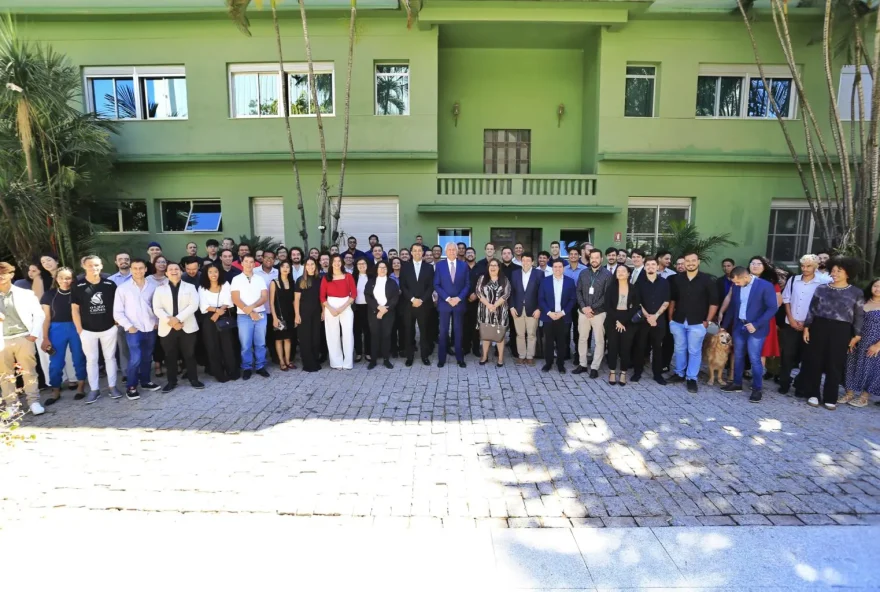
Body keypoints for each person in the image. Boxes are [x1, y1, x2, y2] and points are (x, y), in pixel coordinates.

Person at [801, 257, 864, 410]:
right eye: (833, 270)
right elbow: (812, 309)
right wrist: (807, 327)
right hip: (819, 326)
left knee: (835, 363)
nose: (834, 273)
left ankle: (831, 397)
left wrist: (856, 335)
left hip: (842, 329)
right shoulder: (821, 288)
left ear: (848, 273)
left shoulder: (856, 292)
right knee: (815, 361)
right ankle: (814, 394)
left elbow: (859, 315)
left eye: (839, 271)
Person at [720, 266, 780, 403]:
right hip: (739, 326)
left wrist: (756, 324)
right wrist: (724, 326)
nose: (735, 285)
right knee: (738, 355)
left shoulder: (765, 286)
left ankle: (757, 389)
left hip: (756, 328)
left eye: (737, 282)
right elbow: (733, 308)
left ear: (745, 277)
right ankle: (737, 383)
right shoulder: (736, 286)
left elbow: (772, 308)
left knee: (754, 359)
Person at [72, 255, 122, 404]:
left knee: (110, 358)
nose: (93, 268)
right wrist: (80, 329)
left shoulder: (109, 284)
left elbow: (117, 305)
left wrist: (115, 323)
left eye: (96, 265)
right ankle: (94, 390)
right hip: (87, 330)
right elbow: (75, 309)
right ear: (84, 266)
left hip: (108, 328)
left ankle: (112, 387)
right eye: (90, 265)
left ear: (101, 266)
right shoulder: (78, 285)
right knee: (91, 360)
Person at [668, 251, 719, 394]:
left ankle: (691, 378)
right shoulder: (677, 279)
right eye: (687, 261)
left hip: (698, 322)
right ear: (683, 263)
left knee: (694, 350)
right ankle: (679, 373)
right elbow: (673, 300)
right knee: (679, 348)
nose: (690, 263)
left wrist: (707, 321)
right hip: (678, 320)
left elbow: (714, 303)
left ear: (698, 262)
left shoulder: (707, 280)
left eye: (693, 260)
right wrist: (670, 318)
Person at [779, 254, 831, 396]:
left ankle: (801, 385)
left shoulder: (823, 282)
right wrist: (791, 318)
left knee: (807, 356)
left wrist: (807, 323)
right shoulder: (794, 279)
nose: (805, 269)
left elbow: (822, 305)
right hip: (791, 323)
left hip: (811, 326)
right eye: (802, 266)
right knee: (787, 354)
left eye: (808, 266)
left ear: (815, 267)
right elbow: (786, 299)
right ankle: (784, 382)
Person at [0, 262, 46, 415]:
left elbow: (39, 314)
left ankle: (34, 401)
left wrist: (33, 334)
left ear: (11, 275)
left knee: (29, 371)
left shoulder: (25, 293)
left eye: (3, 273)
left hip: (23, 337)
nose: (0, 276)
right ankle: (11, 405)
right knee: (5, 375)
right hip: (2, 339)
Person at [112, 258, 162, 400]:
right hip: (134, 329)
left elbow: (157, 306)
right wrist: (129, 327)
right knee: (135, 358)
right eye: (135, 268)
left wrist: (157, 321)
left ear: (146, 269)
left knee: (147, 357)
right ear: (131, 270)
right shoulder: (123, 288)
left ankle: (145, 381)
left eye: (141, 268)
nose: (138, 271)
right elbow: (117, 312)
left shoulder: (153, 286)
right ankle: (131, 386)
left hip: (150, 327)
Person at [152, 262, 203, 393]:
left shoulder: (190, 287)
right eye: (171, 269)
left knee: (190, 354)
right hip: (168, 327)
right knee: (170, 356)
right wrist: (171, 321)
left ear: (181, 272)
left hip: (187, 325)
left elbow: (194, 305)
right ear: (166, 273)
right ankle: (171, 381)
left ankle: (193, 379)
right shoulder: (159, 289)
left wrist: (178, 319)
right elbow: (157, 308)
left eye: (176, 269)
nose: (174, 271)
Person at [39, 267, 87, 404]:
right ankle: (55, 390)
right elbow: (46, 318)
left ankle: (81, 386)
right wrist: (45, 337)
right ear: (56, 279)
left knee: (79, 358)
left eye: (68, 278)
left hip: (75, 327)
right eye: (61, 278)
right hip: (56, 329)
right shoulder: (49, 295)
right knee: (55, 362)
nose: (65, 281)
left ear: (73, 279)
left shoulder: (78, 293)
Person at [574, 249, 612, 378]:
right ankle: (582, 364)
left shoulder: (607, 275)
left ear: (602, 259)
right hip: (583, 312)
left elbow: (607, 296)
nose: (594, 260)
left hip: (599, 313)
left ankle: (595, 367)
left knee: (599, 341)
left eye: (597, 257)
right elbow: (578, 291)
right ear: (589, 259)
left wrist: (592, 308)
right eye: (592, 258)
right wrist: (584, 308)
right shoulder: (583, 273)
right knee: (582, 339)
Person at [231, 254, 270, 380]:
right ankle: (247, 367)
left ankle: (260, 366)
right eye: (246, 261)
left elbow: (264, 296)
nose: (249, 264)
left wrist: (252, 307)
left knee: (260, 343)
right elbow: (235, 298)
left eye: (251, 261)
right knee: (246, 344)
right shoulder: (236, 279)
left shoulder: (260, 279)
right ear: (242, 263)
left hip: (260, 314)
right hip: (243, 316)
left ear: (254, 264)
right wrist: (249, 312)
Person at [842, 278, 880, 408]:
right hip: (856, 339)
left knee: (870, 368)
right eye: (875, 286)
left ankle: (864, 397)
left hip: (874, 342)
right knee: (850, 364)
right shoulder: (862, 301)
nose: (877, 289)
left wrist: (878, 345)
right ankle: (849, 393)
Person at [198, 265, 239, 383]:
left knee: (228, 345)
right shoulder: (202, 287)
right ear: (206, 274)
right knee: (212, 346)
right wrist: (216, 311)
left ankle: (232, 371)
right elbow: (203, 305)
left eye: (215, 271)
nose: (213, 274)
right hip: (208, 318)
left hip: (224, 315)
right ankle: (218, 373)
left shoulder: (225, 284)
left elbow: (228, 300)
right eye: (210, 272)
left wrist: (220, 311)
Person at [634, 257, 670, 384]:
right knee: (640, 347)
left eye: (653, 264)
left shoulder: (664, 282)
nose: (650, 267)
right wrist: (648, 316)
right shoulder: (639, 283)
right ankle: (637, 372)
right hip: (643, 321)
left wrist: (655, 316)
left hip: (659, 321)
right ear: (644, 267)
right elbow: (637, 302)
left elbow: (666, 302)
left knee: (657, 348)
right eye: (648, 265)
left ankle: (657, 375)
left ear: (657, 267)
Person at [434, 242, 469, 369]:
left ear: (457, 251)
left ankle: (460, 359)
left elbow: (467, 285)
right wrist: (448, 298)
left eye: (454, 249)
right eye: (449, 249)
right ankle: (441, 359)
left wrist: (459, 298)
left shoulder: (463, 265)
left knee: (458, 332)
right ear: (445, 251)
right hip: (444, 304)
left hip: (459, 304)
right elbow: (436, 284)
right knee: (443, 332)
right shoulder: (439, 265)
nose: (452, 251)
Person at [400, 243, 434, 367]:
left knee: (424, 331)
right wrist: (413, 299)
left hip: (424, 305)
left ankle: (424, 356)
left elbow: (431, 286)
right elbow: (403, 286)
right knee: (409, 331)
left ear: (423, 253)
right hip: (409, 305)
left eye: (420, 250)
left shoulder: (429, 268)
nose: (417, 252)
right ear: (411, 253)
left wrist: (421, 300)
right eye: (415, 250)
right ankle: (409, 356)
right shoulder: (405, 267)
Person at [539, 260, 576, 373]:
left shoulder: (570, 282)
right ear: (552, 268)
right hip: (548, 316)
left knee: (562, 342)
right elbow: (541, 299)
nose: (558, 269)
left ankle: (560, 364)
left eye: (560, 267)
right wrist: (549, 313)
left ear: (563, 268)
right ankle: (548, 363)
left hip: (563, 316)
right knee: (548, 341)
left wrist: (563, 313)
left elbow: (572, 299)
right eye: (555, 267)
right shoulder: (545, 281)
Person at [320, 254, 356, 370]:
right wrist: (330, 309)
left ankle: (348, 362)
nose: (337, 263)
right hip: (330, 306)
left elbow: (354, 294)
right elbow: (322, 297)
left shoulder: (348, 276)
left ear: (342, 263)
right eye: (334, 261)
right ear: (331, 263)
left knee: (348, 334)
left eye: (339, 261)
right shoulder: (326, 278)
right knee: (332, 334)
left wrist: (342, 307)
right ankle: (336, 362)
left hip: (346, 306)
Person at [604, 265, 639, 385]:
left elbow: (635, 307)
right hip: (612, 319)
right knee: (612, 346)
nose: (620, 273)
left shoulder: (634, 288)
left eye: (623, 271)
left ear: (628, 273)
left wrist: (623, 321)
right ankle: (612, 371)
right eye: (618, 271)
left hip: (628, 320)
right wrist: (618, 321)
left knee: (626, 347)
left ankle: (623, 373)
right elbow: (607, 306)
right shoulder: (611, 288)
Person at [364, 261, 400, 369]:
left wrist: (385, 309)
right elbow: (367, 296)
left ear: (387, 270)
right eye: (380, 267)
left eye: (384, 268)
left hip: (388, 313)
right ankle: (373, 360)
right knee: (374, 335)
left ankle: (386, 359)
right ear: (376, 269)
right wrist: (378, 308)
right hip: (374, 312)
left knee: (386, 335)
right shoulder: (370, 282)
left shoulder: (392, 282)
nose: (382, 269)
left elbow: (395, 297)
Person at [476, 259, 511, 366]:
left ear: (499, 267)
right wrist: (489, 305)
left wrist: (494, 305)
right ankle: (484, 356)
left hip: (500, 312)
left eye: (495, 265)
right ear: (488, 267)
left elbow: (506, 294)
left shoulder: (504, 280)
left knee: (499, 336)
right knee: (486, 335)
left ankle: (500, 358)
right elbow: (478, 292)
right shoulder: (482, 278)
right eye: (491, 265)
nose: (493, 267)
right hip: (485, 311)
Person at [510, 252, 541, 365]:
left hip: (533, 309)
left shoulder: (539, 274)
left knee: (531, 334)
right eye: (524, 260)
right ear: (521, 261)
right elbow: (511, 292)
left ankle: (530, 356)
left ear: (532, 262)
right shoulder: (515, 274)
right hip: (517, 308)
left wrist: (539, 309)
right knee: (520, 334)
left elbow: (541, 293)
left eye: (528, 260)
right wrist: (511, 307)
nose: (526, 262)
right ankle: (521, 355)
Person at [295, 258, 323, 372]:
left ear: (315, 266)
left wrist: (323, 311)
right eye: (308, 264)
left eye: (312, 264)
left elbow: (322, 297)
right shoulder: (300, 280)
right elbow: (296, 299)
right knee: (305, 339)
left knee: (315, 338)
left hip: (316, 312)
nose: (310, 266)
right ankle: (308, 363)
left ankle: (315, 360)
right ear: (305, 267)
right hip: (303, 313)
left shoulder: (320, 279)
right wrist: (297, 315)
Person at [270, 260, 296, 371]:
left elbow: (294, 301)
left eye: (288, 267)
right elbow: (271, 302)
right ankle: (281, 361)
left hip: (290, 315)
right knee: (279, 339)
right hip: (279, 316)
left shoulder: (292, 282)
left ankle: (288, 360)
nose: (285, 268)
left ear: (290, 269)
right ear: (279, 269)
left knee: (288, 339)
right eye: (283, 266)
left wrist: (296, 316)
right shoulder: (274, 282)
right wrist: (274, 318)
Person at [352, 258, 372, 363]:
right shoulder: (353, 277)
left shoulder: (372, 277)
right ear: (356, 266)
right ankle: (359, 353)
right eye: (359, 264)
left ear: (367, 265)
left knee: (368, 331)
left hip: (369, 307)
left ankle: (368, 353)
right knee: (357, 331)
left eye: (364, 263)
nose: (361, 265)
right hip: (356, 308)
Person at [389, 257, 404, 356]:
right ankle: (394, 349)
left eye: (398, 263)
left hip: (403, 304)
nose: (396, 264)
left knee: (403, 327)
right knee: (393, 328)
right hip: (393, 305)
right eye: (394, 263)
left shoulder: (405, 276)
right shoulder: (389, 277)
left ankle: (402, 348)